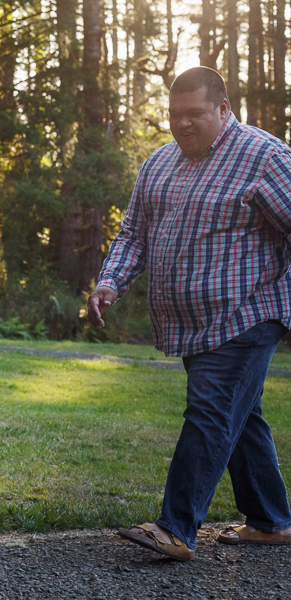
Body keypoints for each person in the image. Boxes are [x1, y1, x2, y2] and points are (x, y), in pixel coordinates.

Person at [88, 66, 291, 561]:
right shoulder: (158, 163)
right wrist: (110, 281)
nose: (182, 125)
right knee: (239, 417)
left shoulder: (265, 157)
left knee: (210, 412)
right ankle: (272, 521)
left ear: (224, 109)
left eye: (194, 114)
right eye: (174, 115)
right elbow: (134, 233)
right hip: (190, 324)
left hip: (248, 314)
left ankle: (176, 527)